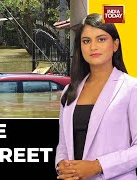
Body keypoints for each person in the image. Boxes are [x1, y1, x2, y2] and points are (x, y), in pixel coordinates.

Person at [55, 13, 137, 180]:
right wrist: (61, 163)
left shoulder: (131, 88)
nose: (93, 47)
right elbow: (63, 143)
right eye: (86, 41)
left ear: (115, 45)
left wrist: (97, 166)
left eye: (101, 39)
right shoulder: (70, 92)